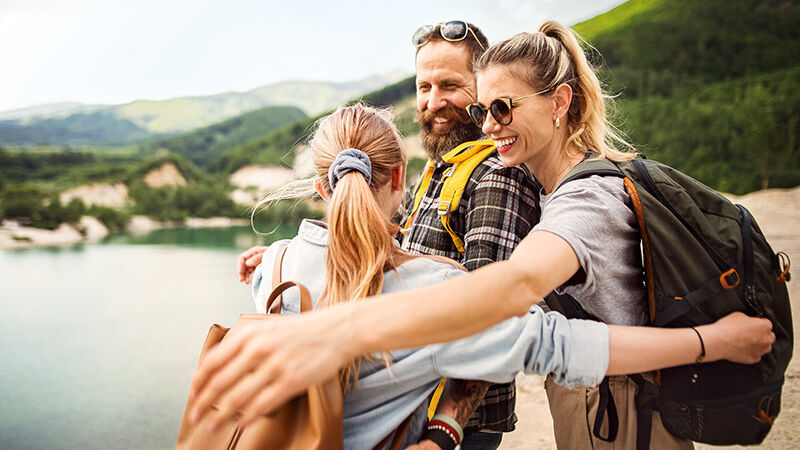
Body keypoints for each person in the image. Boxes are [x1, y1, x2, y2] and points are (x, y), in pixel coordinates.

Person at [193, 102, 775, 450]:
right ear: (399, 179)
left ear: (322, 188)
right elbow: (564, 346)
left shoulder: (274, 266)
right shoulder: (436, 293)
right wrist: (713, 341)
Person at [238, 20, 540, 448]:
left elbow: (492, 317)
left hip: (455, 426)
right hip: (404, 412)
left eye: (450, 86)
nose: (433, 102)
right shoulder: (439, 170)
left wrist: (443, 434)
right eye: (423, 87)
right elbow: (384, 250)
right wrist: (287, 257)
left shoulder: (497, 177)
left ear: (484, 89)